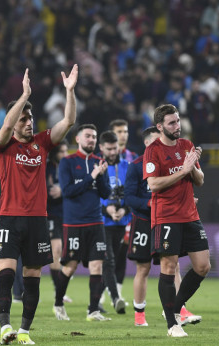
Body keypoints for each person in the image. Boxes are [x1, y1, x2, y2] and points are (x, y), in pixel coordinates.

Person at [0, 65, 78, 345]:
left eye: (31, 118)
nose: (29, 122)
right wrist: (25, 94)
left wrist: (69, 90)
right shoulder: (2, 144)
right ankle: (5, 328)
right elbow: (6, 126)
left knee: (32, 278)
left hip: (37, 220)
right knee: (6, 273)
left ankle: (25, 331)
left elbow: (68, 121)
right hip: (9, 217)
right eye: (24, 118)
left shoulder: (42, 143)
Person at [143, 104, 210, 337]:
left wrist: (192, 168)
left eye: (178, 120)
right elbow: (153, 184)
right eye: (172, 123)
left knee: (203, 266)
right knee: (169, 267)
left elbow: (200, 180)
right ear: (160, 127)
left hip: (190, 215)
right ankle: (172, 324)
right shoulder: (153, 150)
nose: (177, 126)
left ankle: (174, 310)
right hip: (166, 216)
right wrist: (183, 170)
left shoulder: (187, 145)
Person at [125, 126, 201, 327]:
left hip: (168, 218)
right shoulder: (135, 166)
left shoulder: (172, 159)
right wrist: (149, 203)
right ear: (146, 144)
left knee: (173, 264)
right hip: (143, 220)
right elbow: (130, 197)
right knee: (143, 268)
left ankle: (179, 310)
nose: (158, 145)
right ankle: (139, 314)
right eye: (153, 142)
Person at [54, 124, 111, 322]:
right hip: (74, 223)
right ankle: (58, 303)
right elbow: (68, 191)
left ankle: (93, 310)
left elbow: (106, 193)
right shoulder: (67, 162)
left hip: (96, 222)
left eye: (94, 137)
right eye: (88, 136)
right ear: (77, 139)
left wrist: (102, 176)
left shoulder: (99, 161)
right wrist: (92, 176)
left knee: (97, 266)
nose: (92, 140)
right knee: (70, 267)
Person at [98, 130, 128, 314]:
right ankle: (116, 298)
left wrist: (124, 210)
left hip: (121, 221)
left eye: (115, 148)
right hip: (102, 222)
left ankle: (95, 302)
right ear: (101, 148)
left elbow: (132, 193)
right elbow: (93, 195)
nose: (112, 152)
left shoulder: (127, 166)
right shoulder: (97, 167)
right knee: (108, 261)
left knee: (113, 262)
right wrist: (106, 210)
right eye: (108, 149)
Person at [108, 119, 138, 302]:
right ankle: (107, 291)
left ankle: (116, 293)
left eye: (125, 131)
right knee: (108, 254)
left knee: (122, 252)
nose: (123, 135)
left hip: (127, 212)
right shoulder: (103, 158)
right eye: (119, 131)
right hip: (106, 212)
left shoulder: (133, 157)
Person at [46, 140, 72, 303]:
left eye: (66, 151)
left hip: (68, 214)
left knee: (64, 253)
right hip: (51, 214)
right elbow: (49, 191)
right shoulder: (48, 168)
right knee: (56, 251)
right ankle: (58, 292)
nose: (64, 154)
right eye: (61, 151)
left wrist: (63, 190)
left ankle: (60, 290)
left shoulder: (68, 167)